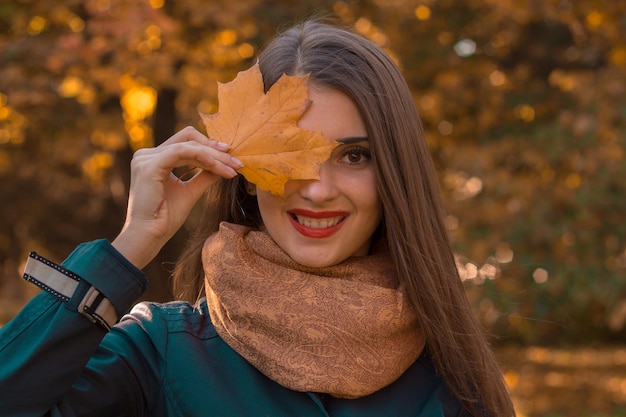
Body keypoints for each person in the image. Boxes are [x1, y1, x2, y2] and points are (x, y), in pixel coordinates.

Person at [0, 19, 516, 417]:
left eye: (354, 156)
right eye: (290, 154)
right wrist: (130, 245)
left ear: (395, 174)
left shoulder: (451, 374)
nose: (316, 188)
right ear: (243, 171)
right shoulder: (158, 354)